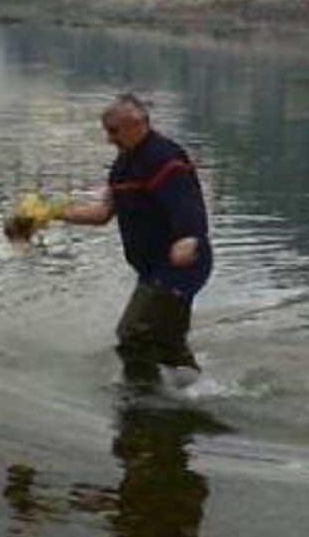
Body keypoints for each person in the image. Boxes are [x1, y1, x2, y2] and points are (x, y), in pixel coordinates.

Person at [58, 93, 212, 383]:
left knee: (132, 334)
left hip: (178, 266)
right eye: (106, 130)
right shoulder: (121, 167)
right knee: (167, 343)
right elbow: (104, 213)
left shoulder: (164, 157)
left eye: (114, 130)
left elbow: (187, 203)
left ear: (139, 123)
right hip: (153, 268)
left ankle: (142, 399)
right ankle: (196, 394)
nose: (109, 139)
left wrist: (189, 238)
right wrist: (54, 215)